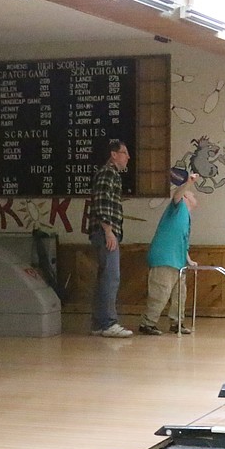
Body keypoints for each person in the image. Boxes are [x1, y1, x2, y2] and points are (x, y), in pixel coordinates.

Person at [140, 169, 200, 335]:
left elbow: (183, 241)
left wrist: (189, 259)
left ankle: (177, 323)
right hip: (164, 258)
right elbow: (177, 195)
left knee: (180, 294)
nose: (196, 198)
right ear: (186, 198)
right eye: (192, 195)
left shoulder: (187, 217)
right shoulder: (177, 207)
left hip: (178, 261)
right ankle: (148, 323)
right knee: (160, 292)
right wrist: (188, 182)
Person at [85, 139, 133, 337]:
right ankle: (108, 323)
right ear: (114, 154)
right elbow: (102, 202)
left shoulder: (110, 174)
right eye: (124, 153)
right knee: (111, 277)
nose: (128, 157)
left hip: (103, 231)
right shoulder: (108, 173)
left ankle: (98, 323)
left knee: (104, 278)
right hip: (106, 232)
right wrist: (108, 230)